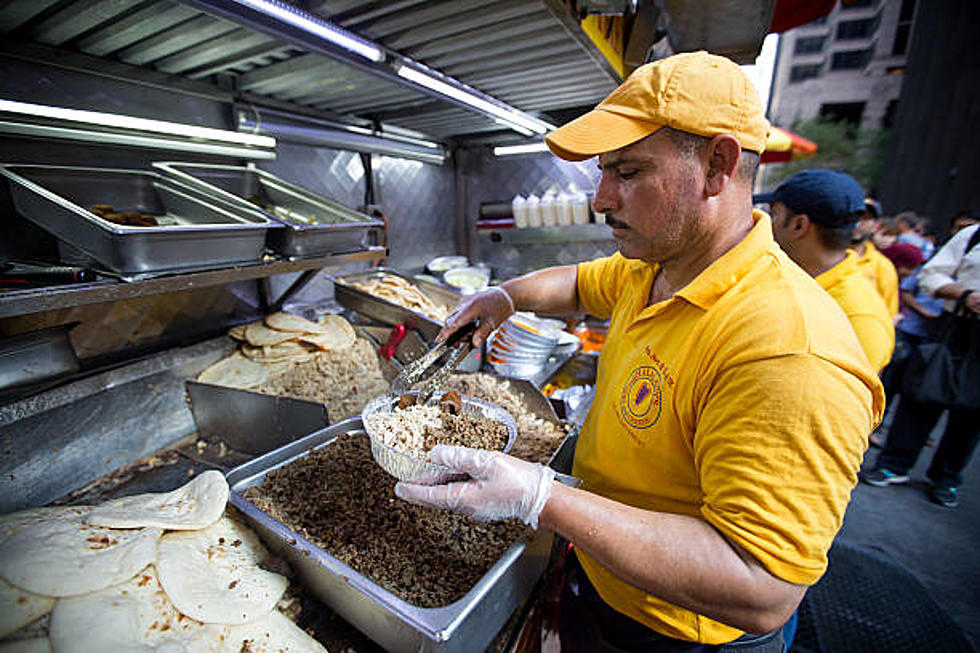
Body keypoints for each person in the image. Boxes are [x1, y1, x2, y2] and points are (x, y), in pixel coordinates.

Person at [395, 51, 884, 652]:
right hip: (605, 578)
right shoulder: (658, 266)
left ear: (717, 165)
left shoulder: (788, 351)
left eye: (626, 173)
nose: (600, 199)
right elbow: (578, 283)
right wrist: (505, 297)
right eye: (603, 172)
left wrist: (542, 496)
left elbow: (762, 586)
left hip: (680, 634)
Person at [861, 224, 980, 508]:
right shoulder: (973, 235)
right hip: (957, 325)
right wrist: (964, 294)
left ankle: (947, 477)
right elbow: (930, 275)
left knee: (973, 412)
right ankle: (894, 463)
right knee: (921, 393)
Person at [759, 169, 895, 372]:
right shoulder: (781, 276)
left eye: (774, 215)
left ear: (798, 225)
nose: (765, 223)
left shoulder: (860, 318)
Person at [852, 199, 900, 319]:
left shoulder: (883, 266)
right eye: (853, 216)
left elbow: (889, 315)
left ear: (875, 226)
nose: (858, 222)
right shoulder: (816, 255)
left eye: (865, 218)